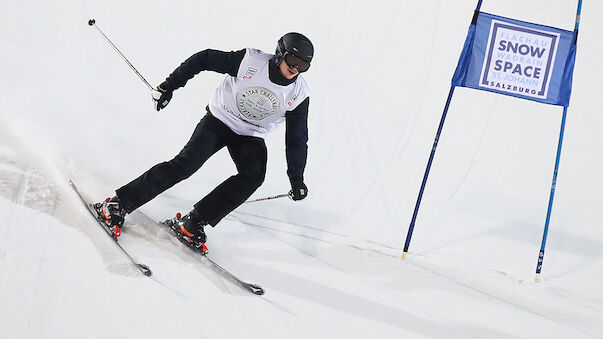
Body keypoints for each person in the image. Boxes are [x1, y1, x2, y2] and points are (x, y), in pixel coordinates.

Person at [94, 32, 313, 251]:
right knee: (185, 165)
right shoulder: (250, 62)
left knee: (254, 175)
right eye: (293, 60)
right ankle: (117, 204)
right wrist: (169, 85)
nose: (296, 68)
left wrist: (296, 177)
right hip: (220, 119)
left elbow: (296, 138)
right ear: (278, 55)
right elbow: (204, 59)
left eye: (303, 65)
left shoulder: (298, 94)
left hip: (250, 134)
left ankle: (193, 222)